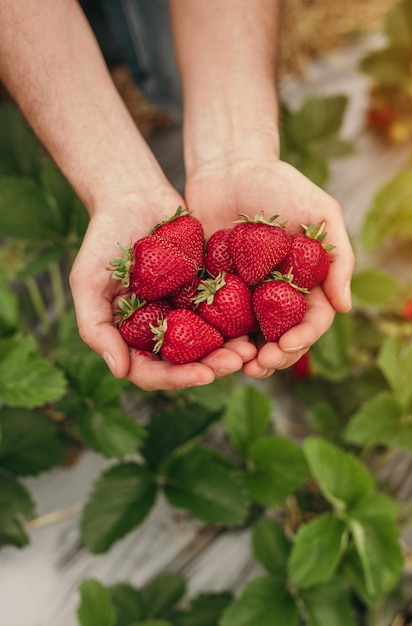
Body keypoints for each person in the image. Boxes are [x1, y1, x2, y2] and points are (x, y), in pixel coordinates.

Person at [0, 0, 354, 391]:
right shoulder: (211, 272)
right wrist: (116, 187)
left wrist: (235, 151)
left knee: (169, 75)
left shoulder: (219, 265)